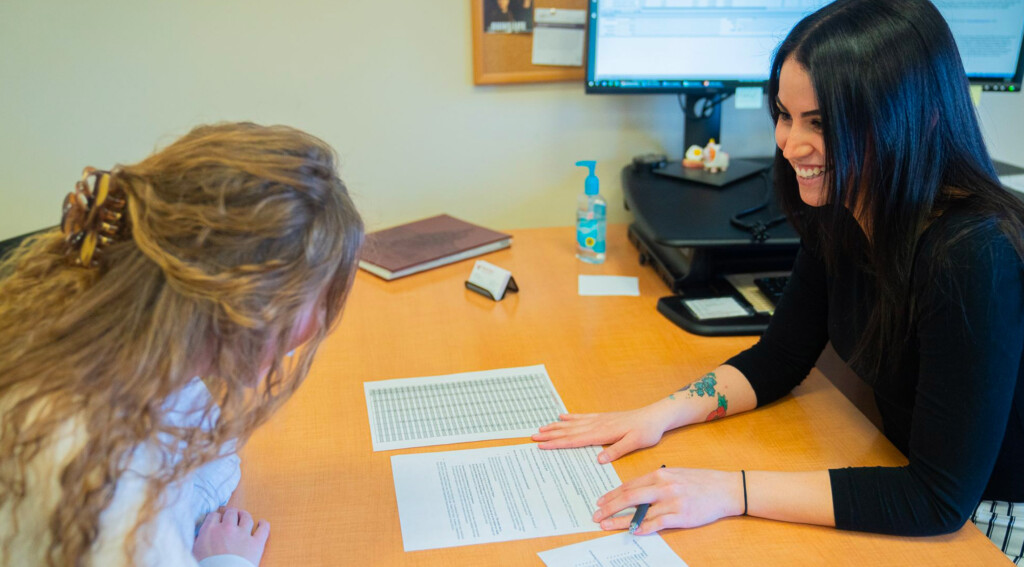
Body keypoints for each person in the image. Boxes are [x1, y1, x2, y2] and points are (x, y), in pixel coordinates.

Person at [532, 0, 1024, 562]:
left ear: (918, 116)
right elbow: (782, 356)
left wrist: (730, 490)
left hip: (988, 518)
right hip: (905, 473)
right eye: (784, 115)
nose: (791, 144)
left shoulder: (973, 253)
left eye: (822, 123)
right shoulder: (844, 204)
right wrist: (657, 416)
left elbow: (937, 500)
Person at [0, 122, 364, 566]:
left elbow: (205, 447)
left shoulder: (116, 334)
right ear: (247, 308)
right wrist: (225, 560)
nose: (321, 320)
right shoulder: (105, 491)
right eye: (317, 297)